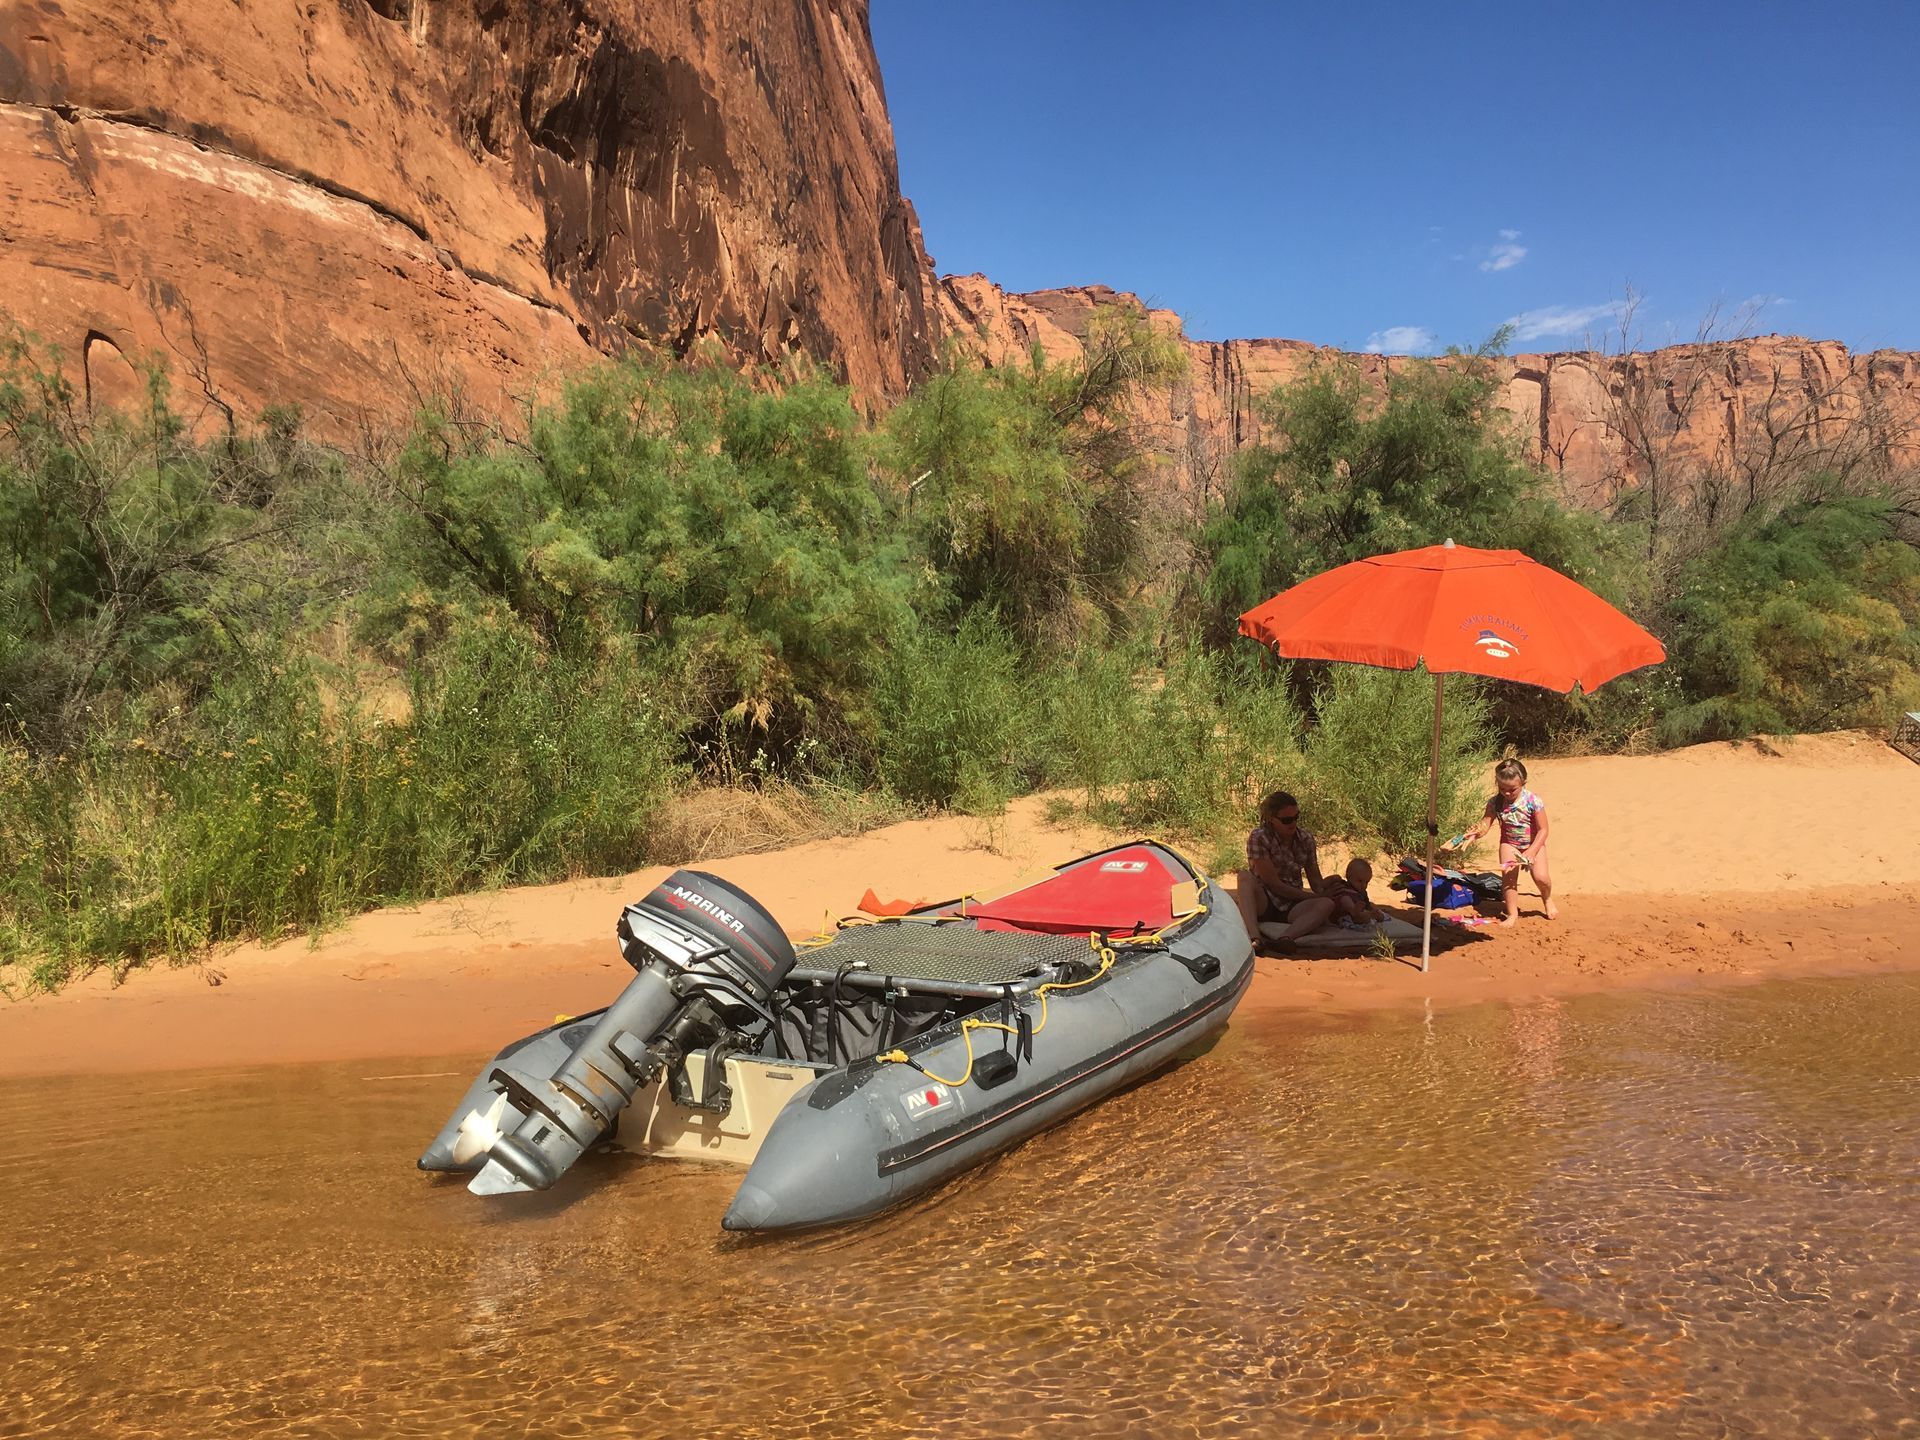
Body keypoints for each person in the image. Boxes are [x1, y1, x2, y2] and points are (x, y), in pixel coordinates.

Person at [1456, 758, 1556, 924]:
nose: (1507, 793)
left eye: (1512, 790)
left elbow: (1543, 830)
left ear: (1523, 782)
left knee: (1541, 877)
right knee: (1509, 879)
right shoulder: (1495, 802)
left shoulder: (1533, 800)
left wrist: (1531, 851)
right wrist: (1475, 833)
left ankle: (1547, 898)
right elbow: (1486, 822)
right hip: (1509, 844)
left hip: (1533, 844)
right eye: (1502, 789)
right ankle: (1512, 914)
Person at [1236, 790, 1338, 946]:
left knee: (1327, 904)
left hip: (1293, 904)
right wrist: (1311, 897)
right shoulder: (1259, 837)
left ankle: (1285, 939)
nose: (1293, 824)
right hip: (1266, 900)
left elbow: (1316, 882)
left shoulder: (1306, 839)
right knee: (1244, 877)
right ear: (1271, 819)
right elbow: (1273, 884)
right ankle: (1254, 937)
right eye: (1287, 820)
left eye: (1296, 817)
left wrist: (1333, 886)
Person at [1315, 858, 1386, 927]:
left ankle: (1365, 915)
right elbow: (1322, 885)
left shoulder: (1362, 893)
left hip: (1353, 917)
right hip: (1338, 915)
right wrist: (1332, 879)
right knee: (1345, 898)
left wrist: (1373, 912)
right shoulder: (1342, 885)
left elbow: (1367, 906)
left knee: (1366, 917)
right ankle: (1353, 910)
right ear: (1348, 876)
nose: (1363, 885)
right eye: (1360, 881)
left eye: (1367, 882)